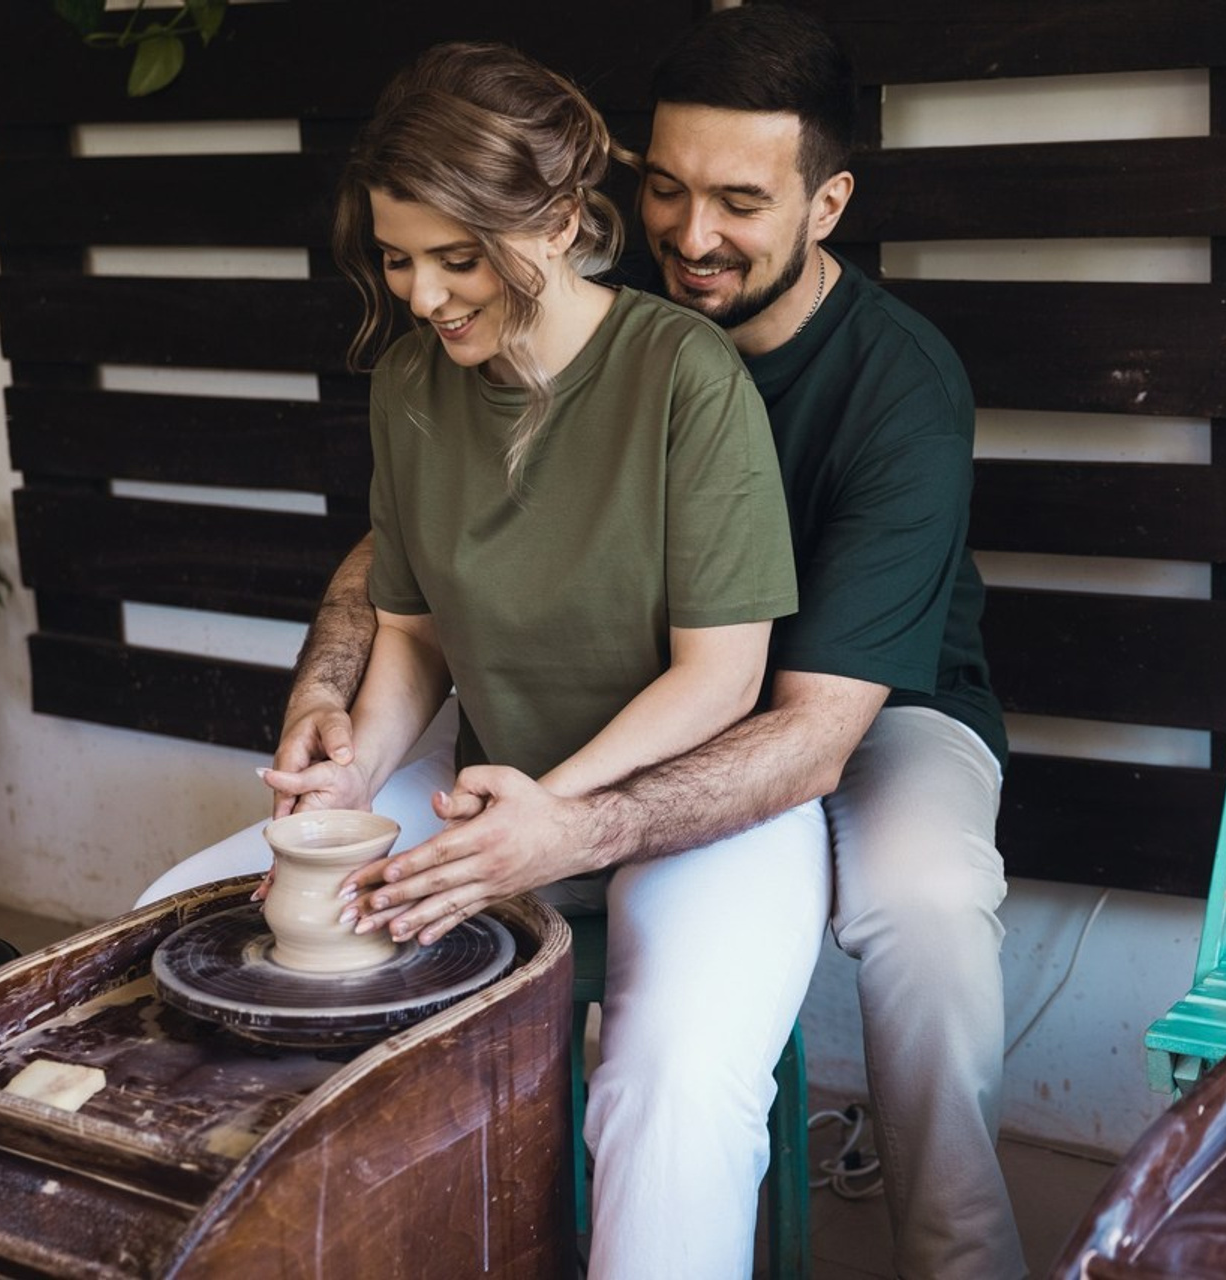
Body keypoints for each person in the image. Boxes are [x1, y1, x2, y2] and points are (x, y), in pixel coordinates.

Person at [141, 8, 1026, 1278]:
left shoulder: (877, 383)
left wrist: (560, 816)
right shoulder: (454, 359)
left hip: (865, 702)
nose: (690, 232)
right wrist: (334, 714)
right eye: (664, 188)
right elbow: (414, 570)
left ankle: (962, 1255)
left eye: (736, 200)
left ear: (825, 203)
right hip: (618, 712)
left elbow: (804, 723)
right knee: (202, 931)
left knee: (915, 906)